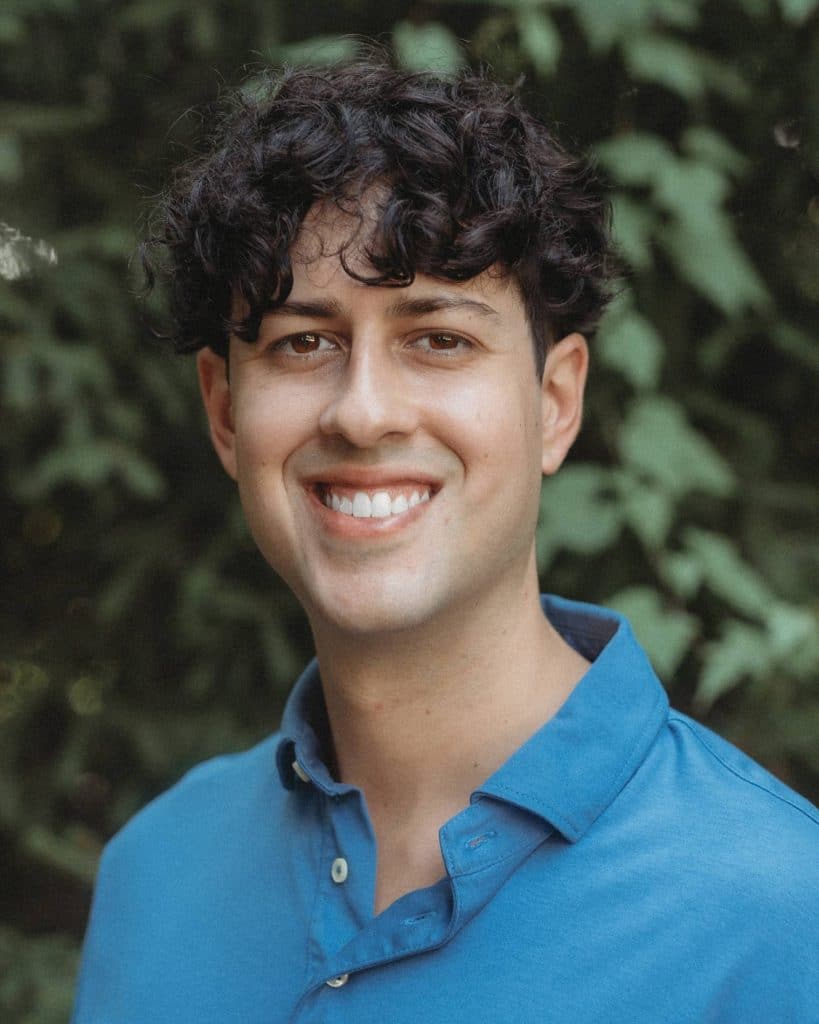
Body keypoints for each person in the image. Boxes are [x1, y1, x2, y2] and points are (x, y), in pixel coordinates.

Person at [71, 59, 817, 1023]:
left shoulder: (779, 913)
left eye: (438, 339)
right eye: (303, 342)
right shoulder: (153, 874)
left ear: (555, 404)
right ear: (224, 412)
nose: (364, 412)